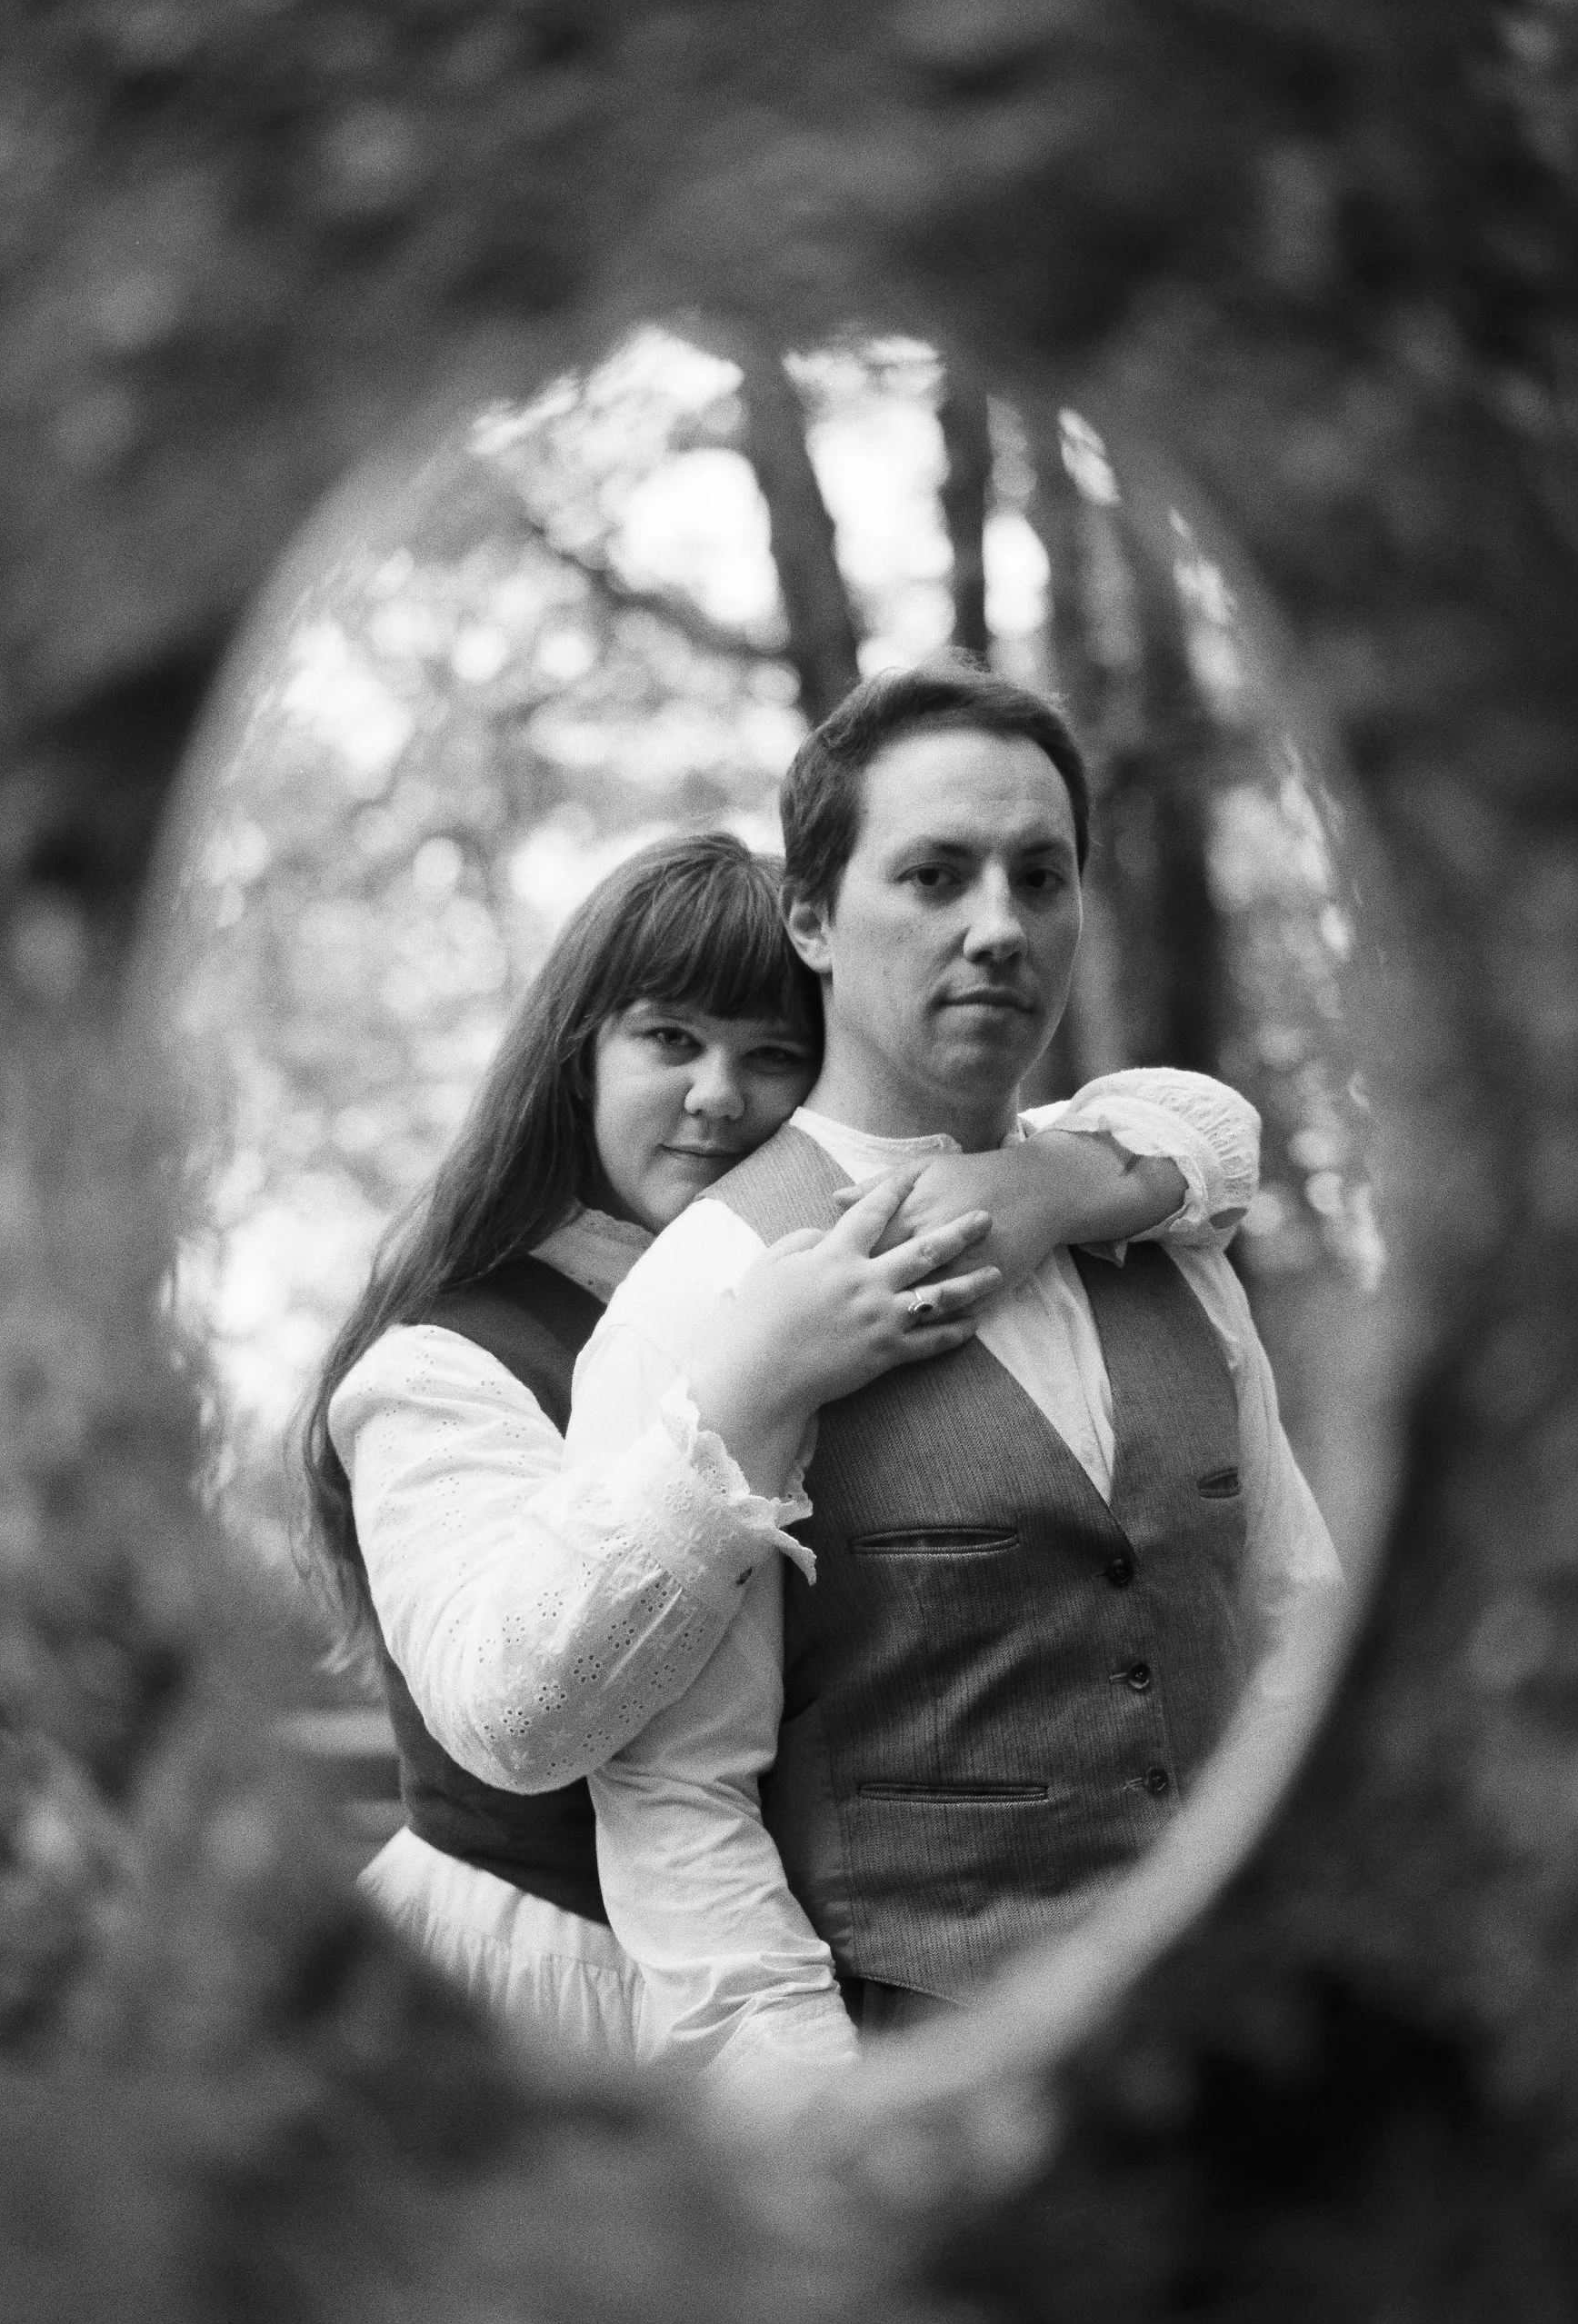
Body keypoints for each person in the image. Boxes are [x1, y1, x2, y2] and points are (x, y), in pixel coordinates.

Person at [302, 827, 1260, 2069]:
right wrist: (749, 1384)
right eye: (669, 1040)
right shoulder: (444, 1365)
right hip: (544, 1982)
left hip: (793, 1993)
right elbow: (514, 1714)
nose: (716, 1095)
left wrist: (1051, 1189)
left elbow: (1207, 1121)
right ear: (574, 1056)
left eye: (770, 1056)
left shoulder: (838, 1262)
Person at [573, 668, 1345, 2090]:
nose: (1000, 927)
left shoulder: (1161, 1236)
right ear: (811, 913)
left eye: (1040, 878)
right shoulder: (703, 1296)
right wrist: (838, 2134)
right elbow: (681, 1807)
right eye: (934, 875)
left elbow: (1293, 1606)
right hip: (925, 2074)